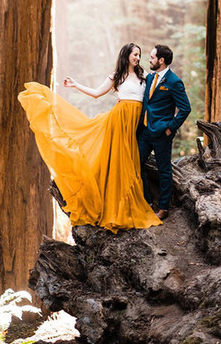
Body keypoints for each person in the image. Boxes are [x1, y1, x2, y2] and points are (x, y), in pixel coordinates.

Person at [18, 43, 161, 233]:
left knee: (131, 161)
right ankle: (116, 206)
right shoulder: (116, 76)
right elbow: (96, 94)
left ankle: (136, 201)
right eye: (135, 54)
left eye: (139, 55)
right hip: (118, 122)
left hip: (135, 124)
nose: (138, 58)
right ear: (126, 55)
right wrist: (76, 84)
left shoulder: (145, 77)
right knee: (122, 161)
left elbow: (151, 100)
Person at [138, 45, 191, 220]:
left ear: (161, 60)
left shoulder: (174, 82)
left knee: (164, 170)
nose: (149, 59)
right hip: (145, 132)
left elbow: (185, 109)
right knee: (136, 163)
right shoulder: (151, 77)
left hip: (162, 134)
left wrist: (170, 128)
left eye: (152, 57)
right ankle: (147, 202)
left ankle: (163, 208)